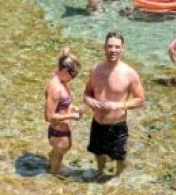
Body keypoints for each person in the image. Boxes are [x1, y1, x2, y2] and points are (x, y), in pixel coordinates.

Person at [83, 31, 146, 181]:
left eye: (117, 47)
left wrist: (118, 105)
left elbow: (140, 99)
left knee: (119, 154)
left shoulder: (130, 73)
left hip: (117, 124)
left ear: (122, 49)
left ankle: (118, 176)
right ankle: (100, 171)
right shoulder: (96, 69)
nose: (113, 50)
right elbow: (87, 93)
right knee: (97, 151)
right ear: (104, 47)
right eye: (110, 46)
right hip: (98, 121)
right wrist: (88, 100)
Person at [44, 47, 83, 177]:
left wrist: (72, 107)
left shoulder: (58, 75)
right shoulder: (56, 88)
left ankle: (53, 160)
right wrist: (71, 115)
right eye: (72, 75)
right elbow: (49, 117)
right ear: (65, 70)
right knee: (59, 155)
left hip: (60, 130)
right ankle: (53, 174)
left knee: (60, 151)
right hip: (57, 131)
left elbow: (61, 104)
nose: (73, 78)